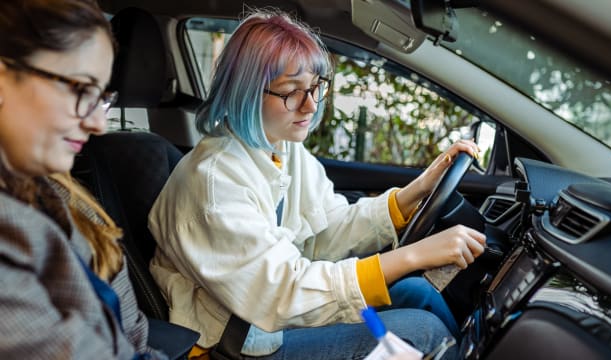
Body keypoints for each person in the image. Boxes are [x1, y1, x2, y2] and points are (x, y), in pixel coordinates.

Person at [148, 9, 486, 360]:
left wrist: (414, 191)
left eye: (314, 87)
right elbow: (282, 293)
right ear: (246, 92)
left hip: (272, 321)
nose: (310, 105)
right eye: (292, 92)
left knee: (417, 292)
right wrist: (412, 255)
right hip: (239, 342)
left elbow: (327, 229)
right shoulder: (214, 183)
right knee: (423, 333)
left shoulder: (281, 147)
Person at [0, 0, 167, 358]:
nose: (98, 124)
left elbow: (130, 332)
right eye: (81, 90)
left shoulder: (51, 191)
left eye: (102, 97)